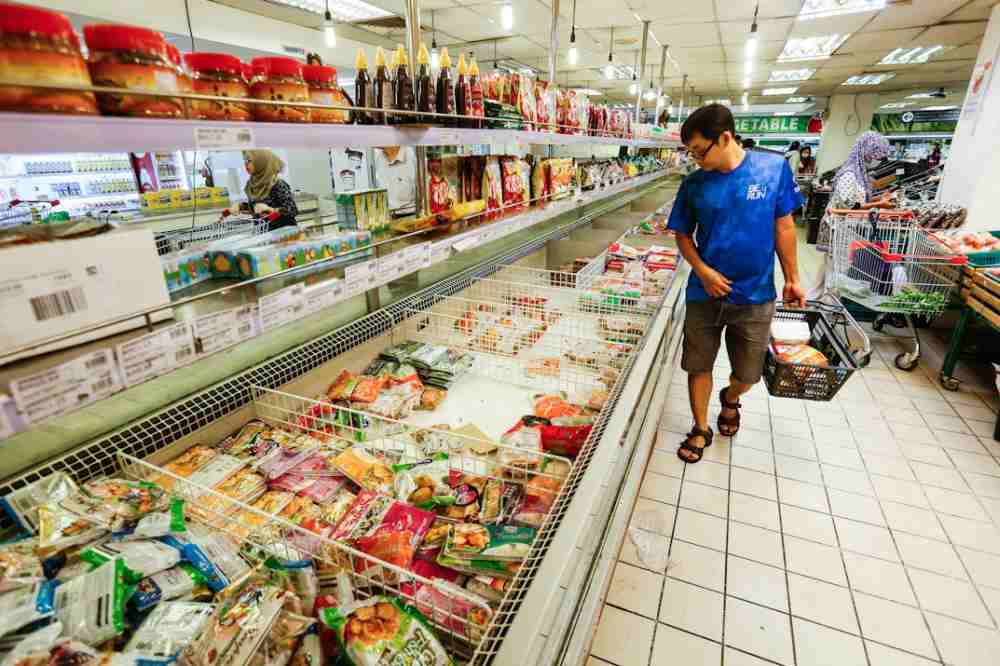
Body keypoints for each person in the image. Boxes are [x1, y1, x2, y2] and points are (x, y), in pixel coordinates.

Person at [667, 104, 805, 464]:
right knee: (698, 365)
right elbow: (681, 234)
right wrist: (703, 272)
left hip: (756, 294)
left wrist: (792, 278)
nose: (696, 159)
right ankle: (700, 427)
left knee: (749, 374)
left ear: (725, 137)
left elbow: (785, 226)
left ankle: (731, 397)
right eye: (691, 153)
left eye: (700, 151)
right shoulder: (694, 184)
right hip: (704, 293)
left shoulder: (772, 170)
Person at [806, 131, 892, 299]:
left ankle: (811, 299)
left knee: (829, 265)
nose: (877, 160)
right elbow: (850, 205)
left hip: (844, 226)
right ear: (865, 152)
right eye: (875, 156)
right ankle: (830, 306)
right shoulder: (849, 174)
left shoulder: (860, 173)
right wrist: (879, 204)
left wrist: (878, 198)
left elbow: (857, 198)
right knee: (837, 268)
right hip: (837, 227)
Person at [242, 149, 298, 230]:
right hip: (264, 233)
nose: (246, 164)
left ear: (261, 162)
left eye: (249, 160)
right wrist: (242, 207)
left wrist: (271, 210)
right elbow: (257, 209)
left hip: (284, 234)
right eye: (245, 160)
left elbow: (292, 210)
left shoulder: (277, 184)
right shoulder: (252, 185)